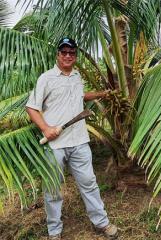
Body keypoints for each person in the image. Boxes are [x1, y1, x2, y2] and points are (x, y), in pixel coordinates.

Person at [25, 37, 117, 240]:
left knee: (89, 183)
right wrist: (46, 128)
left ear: (75, 56)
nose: (68, 56)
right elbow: (31, 107)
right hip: (55, 145)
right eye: (64, 52)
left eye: (71, 53)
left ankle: (101, 223)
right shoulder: (46, 78)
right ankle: (54, 231)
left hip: (80, 142)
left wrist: (101, 94)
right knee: (52, 189)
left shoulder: (76, 76)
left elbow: (79, 96)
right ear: (58, 54)